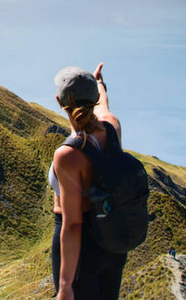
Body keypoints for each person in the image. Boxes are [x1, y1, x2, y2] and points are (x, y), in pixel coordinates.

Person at [49, 63, 127, 300]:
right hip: (112, 242)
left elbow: (72, 224)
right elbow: (104, 107)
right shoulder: (112, 127)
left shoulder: (68, 155)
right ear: (93, 99)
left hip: (81, 248)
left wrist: (65, 286)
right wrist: (100, 84)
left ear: (59, 102)